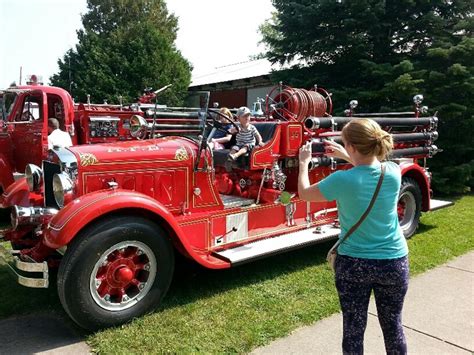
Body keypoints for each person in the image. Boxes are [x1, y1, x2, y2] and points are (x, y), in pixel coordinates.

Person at [298, 118, 409, 355]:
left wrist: (303, 164)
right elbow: (370, 168)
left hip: (354, 264)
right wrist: (348, 155)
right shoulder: (393, 172)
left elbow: (304, 193)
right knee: (393, 326)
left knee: (353, 330)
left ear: (352, 147)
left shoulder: (342, 180)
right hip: (394, 261)